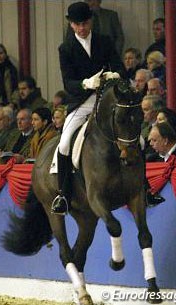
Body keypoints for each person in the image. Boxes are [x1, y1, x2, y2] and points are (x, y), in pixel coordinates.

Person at [50, 1, 124, 215]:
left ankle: (145, 188)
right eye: (77, 24)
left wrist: (115, 75)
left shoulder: (104, 41)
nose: (82, 28)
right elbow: (68, 83)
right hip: (82, 103)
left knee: (134, 137)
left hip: (106, 99)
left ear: (90, 21)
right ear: (71, 25)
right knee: (64, 143)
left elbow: (118, 66)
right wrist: (85, 83)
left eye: (84, 23)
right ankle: (62, 195)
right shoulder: (65, 48)